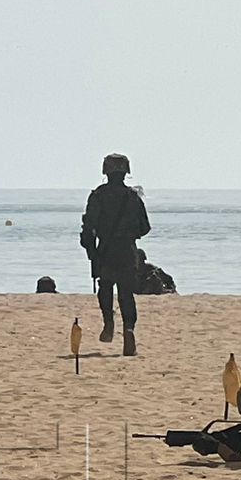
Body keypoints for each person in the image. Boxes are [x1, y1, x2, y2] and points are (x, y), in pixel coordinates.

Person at [79, 152, 152, 356]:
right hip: (127, 251)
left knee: (105, 287)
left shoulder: (98, 196)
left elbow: (88, 227)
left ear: (106, 171)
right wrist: (129, 234)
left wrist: (91, 250)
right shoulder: (132, 197)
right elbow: (145, 227)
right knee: (126, 294)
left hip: (106, 250)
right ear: (126, 172)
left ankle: (108, 322)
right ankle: (128, 330)